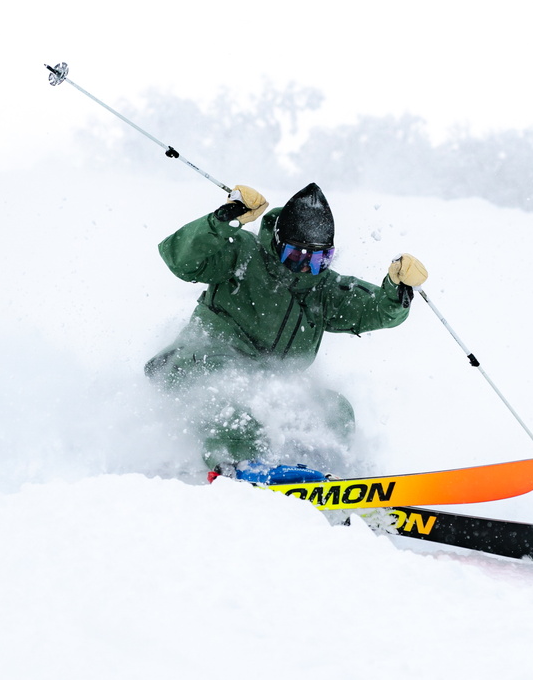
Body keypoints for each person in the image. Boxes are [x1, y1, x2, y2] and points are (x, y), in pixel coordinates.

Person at [145, 182, 427, 477]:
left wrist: (397, 288)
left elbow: (378, 310)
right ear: (277, 243)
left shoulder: (323, 289)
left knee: (334, 411)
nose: (306, 267)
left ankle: (325, 477)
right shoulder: (241, 254)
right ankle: (236, 469)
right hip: (195, 366)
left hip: (264, 384)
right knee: (234, 396)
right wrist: (225, 219)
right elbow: (179, 258)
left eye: (318, 260)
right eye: (297, 256)